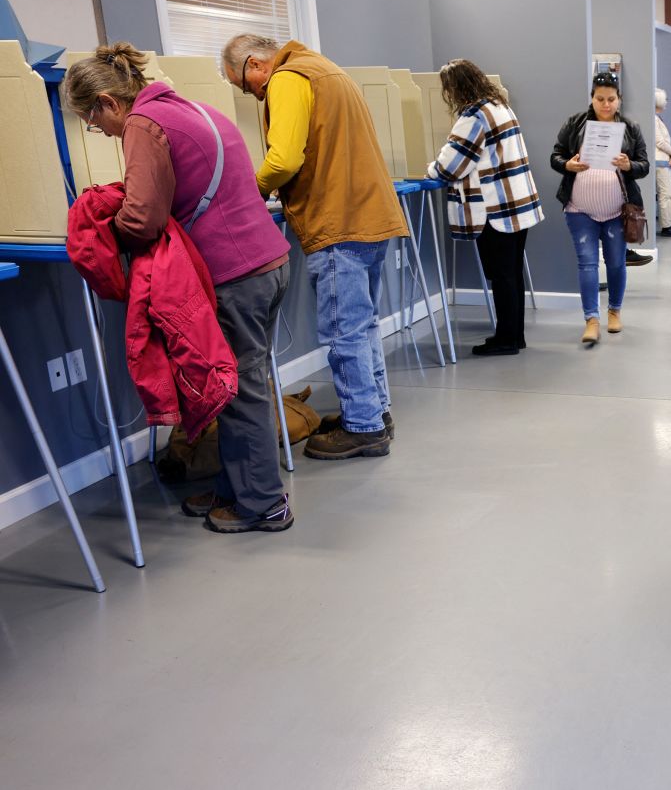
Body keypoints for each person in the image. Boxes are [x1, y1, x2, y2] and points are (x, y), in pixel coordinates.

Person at [63, 43, 294, 533]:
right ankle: (237, 488)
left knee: (238, 391)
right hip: (268, 262)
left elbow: (144, 219)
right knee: (237, 385)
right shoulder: (193, 108)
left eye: (91, 119)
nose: (97, 130)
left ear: (108, 101)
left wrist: (107, 229)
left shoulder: (143, 126)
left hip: (236, 274)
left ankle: (264, 505)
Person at [222, 34, 406, 461]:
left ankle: (364, 428)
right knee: (363, 326)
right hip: (370, 213)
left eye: (247, 88)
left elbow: (284, 159)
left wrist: (249, 191)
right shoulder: (326, 69)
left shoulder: (288, 78)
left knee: (343, 330)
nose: (254, 96)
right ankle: (374, 412)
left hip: (338, 219)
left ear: (254, 66)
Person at [427, 59, 543, 356]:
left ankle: (506, 340)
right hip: (518, 204)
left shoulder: (473, 117)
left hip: (496, 209)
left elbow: (450, 166)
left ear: (456, 87)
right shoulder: (500, 106)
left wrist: (429, 169)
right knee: (512, 273)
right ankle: (514, 336)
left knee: (501, 275)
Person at [550, 72, 650, 345]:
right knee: (587, 262)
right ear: (592, 98)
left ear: (619, 99)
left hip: (617, 210)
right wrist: (567, 164)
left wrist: (629, 165)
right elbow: (555, 156)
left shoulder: (630, 127)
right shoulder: (575, 124)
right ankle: (591, 319)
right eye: (600, 99)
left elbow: (644, 165)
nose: (606, 104)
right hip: (579, 208)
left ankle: (614, 311)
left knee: (616, 262)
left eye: (611, 99)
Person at [654, 88, 671, 238]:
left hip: (662, 160)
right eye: (665, 100)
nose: (666, 103)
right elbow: (659, 142)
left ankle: (667, 225)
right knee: (665, 194)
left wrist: (670, 154)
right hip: (659, 161)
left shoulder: (657, 118)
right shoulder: (654, 119)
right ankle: (667, 226)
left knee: (665, 194)